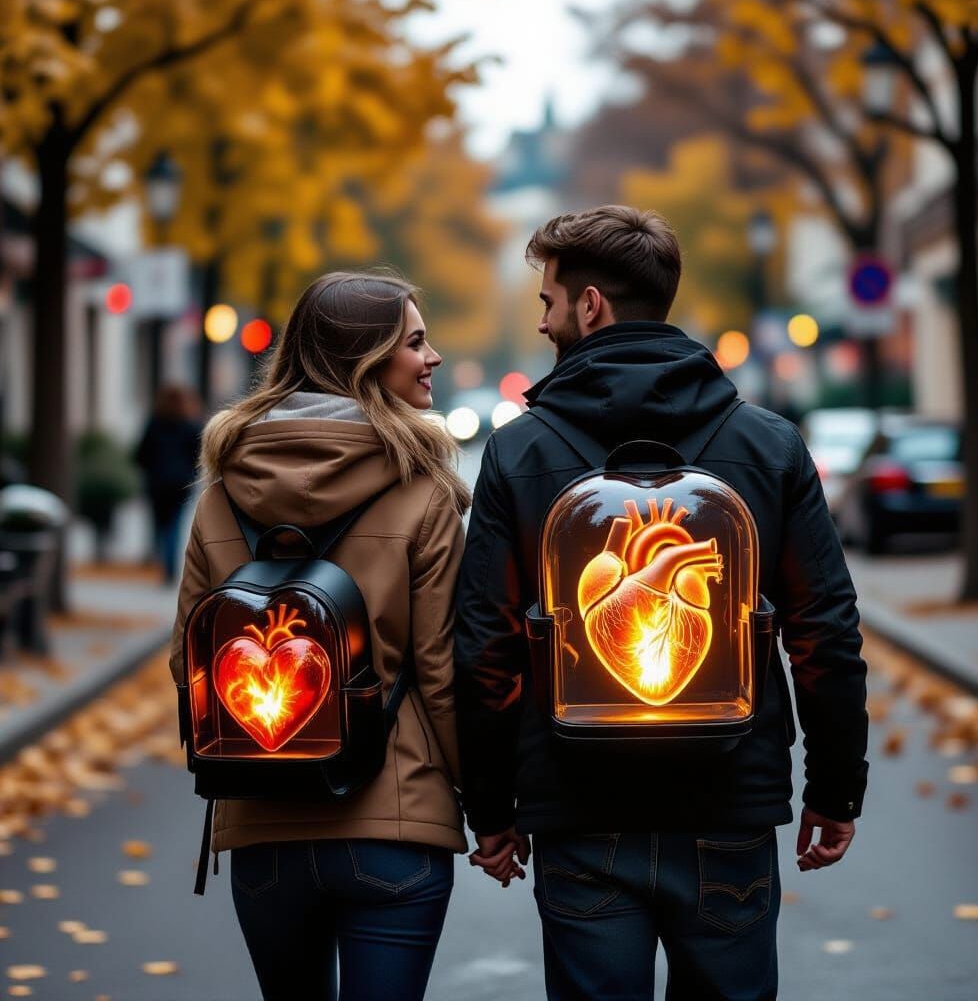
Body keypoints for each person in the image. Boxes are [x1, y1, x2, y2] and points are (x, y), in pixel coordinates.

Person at [454, 206, 869, 1000]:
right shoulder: (769, 444)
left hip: (577, 807)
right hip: (729, 800)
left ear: (590, 306)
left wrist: (493, 807)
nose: (541, 321)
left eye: (547, 301)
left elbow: (484, 647)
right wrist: (834, 787)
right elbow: (824, 629)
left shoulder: (519, 451)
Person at [168, 272, 469, 1001]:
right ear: (366, 360)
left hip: (263, 829)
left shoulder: (223, 488)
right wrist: (490, 808)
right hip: (395, 830)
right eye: (416, 342)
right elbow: (440, 673)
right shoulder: (423, 491)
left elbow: (188, 662)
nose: (432, 358)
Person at [134, 384, 203, 582]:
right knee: (174, 526)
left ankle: (163, 561)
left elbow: (141, 453)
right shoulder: (191, 425)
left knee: (160, 525)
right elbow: (199, 455)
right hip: (181, 483)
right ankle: (169, 568)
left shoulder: (155, 423)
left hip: (157, 483)